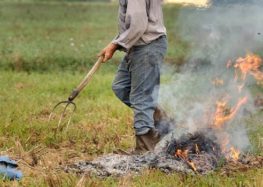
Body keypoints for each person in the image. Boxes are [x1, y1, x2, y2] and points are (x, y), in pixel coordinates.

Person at [98, 0, 167, 153]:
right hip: (138, 45)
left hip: (147, 46)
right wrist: (115, 42)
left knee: (141, 98)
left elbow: (138, 25)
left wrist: (115, 45)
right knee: (121, 86)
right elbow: (134, 25)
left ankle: (144, 149)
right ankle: (163, 123)